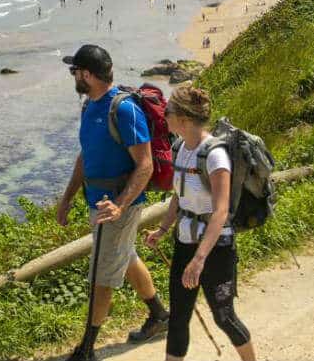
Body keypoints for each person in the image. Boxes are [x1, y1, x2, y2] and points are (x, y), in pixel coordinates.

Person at [59, 45, 169, 361]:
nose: (73, 76)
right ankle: (160, 315)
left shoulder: (123, 110)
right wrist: (67, 197)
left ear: (87, 74)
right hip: (99, 203)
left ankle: (86, 349)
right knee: (126, 256)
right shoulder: (89, 106)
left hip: (117, 207)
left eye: (75, 71)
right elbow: (86, 156)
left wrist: (120, 205)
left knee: (101, 276)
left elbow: (145, 165)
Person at [145, 84, 255, 361]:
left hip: (215, 249)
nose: (164, 115)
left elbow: (220, 211)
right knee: (178, 318)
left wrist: (199, 259)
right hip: (185, 243)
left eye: (168, 111)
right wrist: (162, 229)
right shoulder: (180, 148)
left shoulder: (215, 155)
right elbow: (178, 196)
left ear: (183, 119)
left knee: (224, 317)